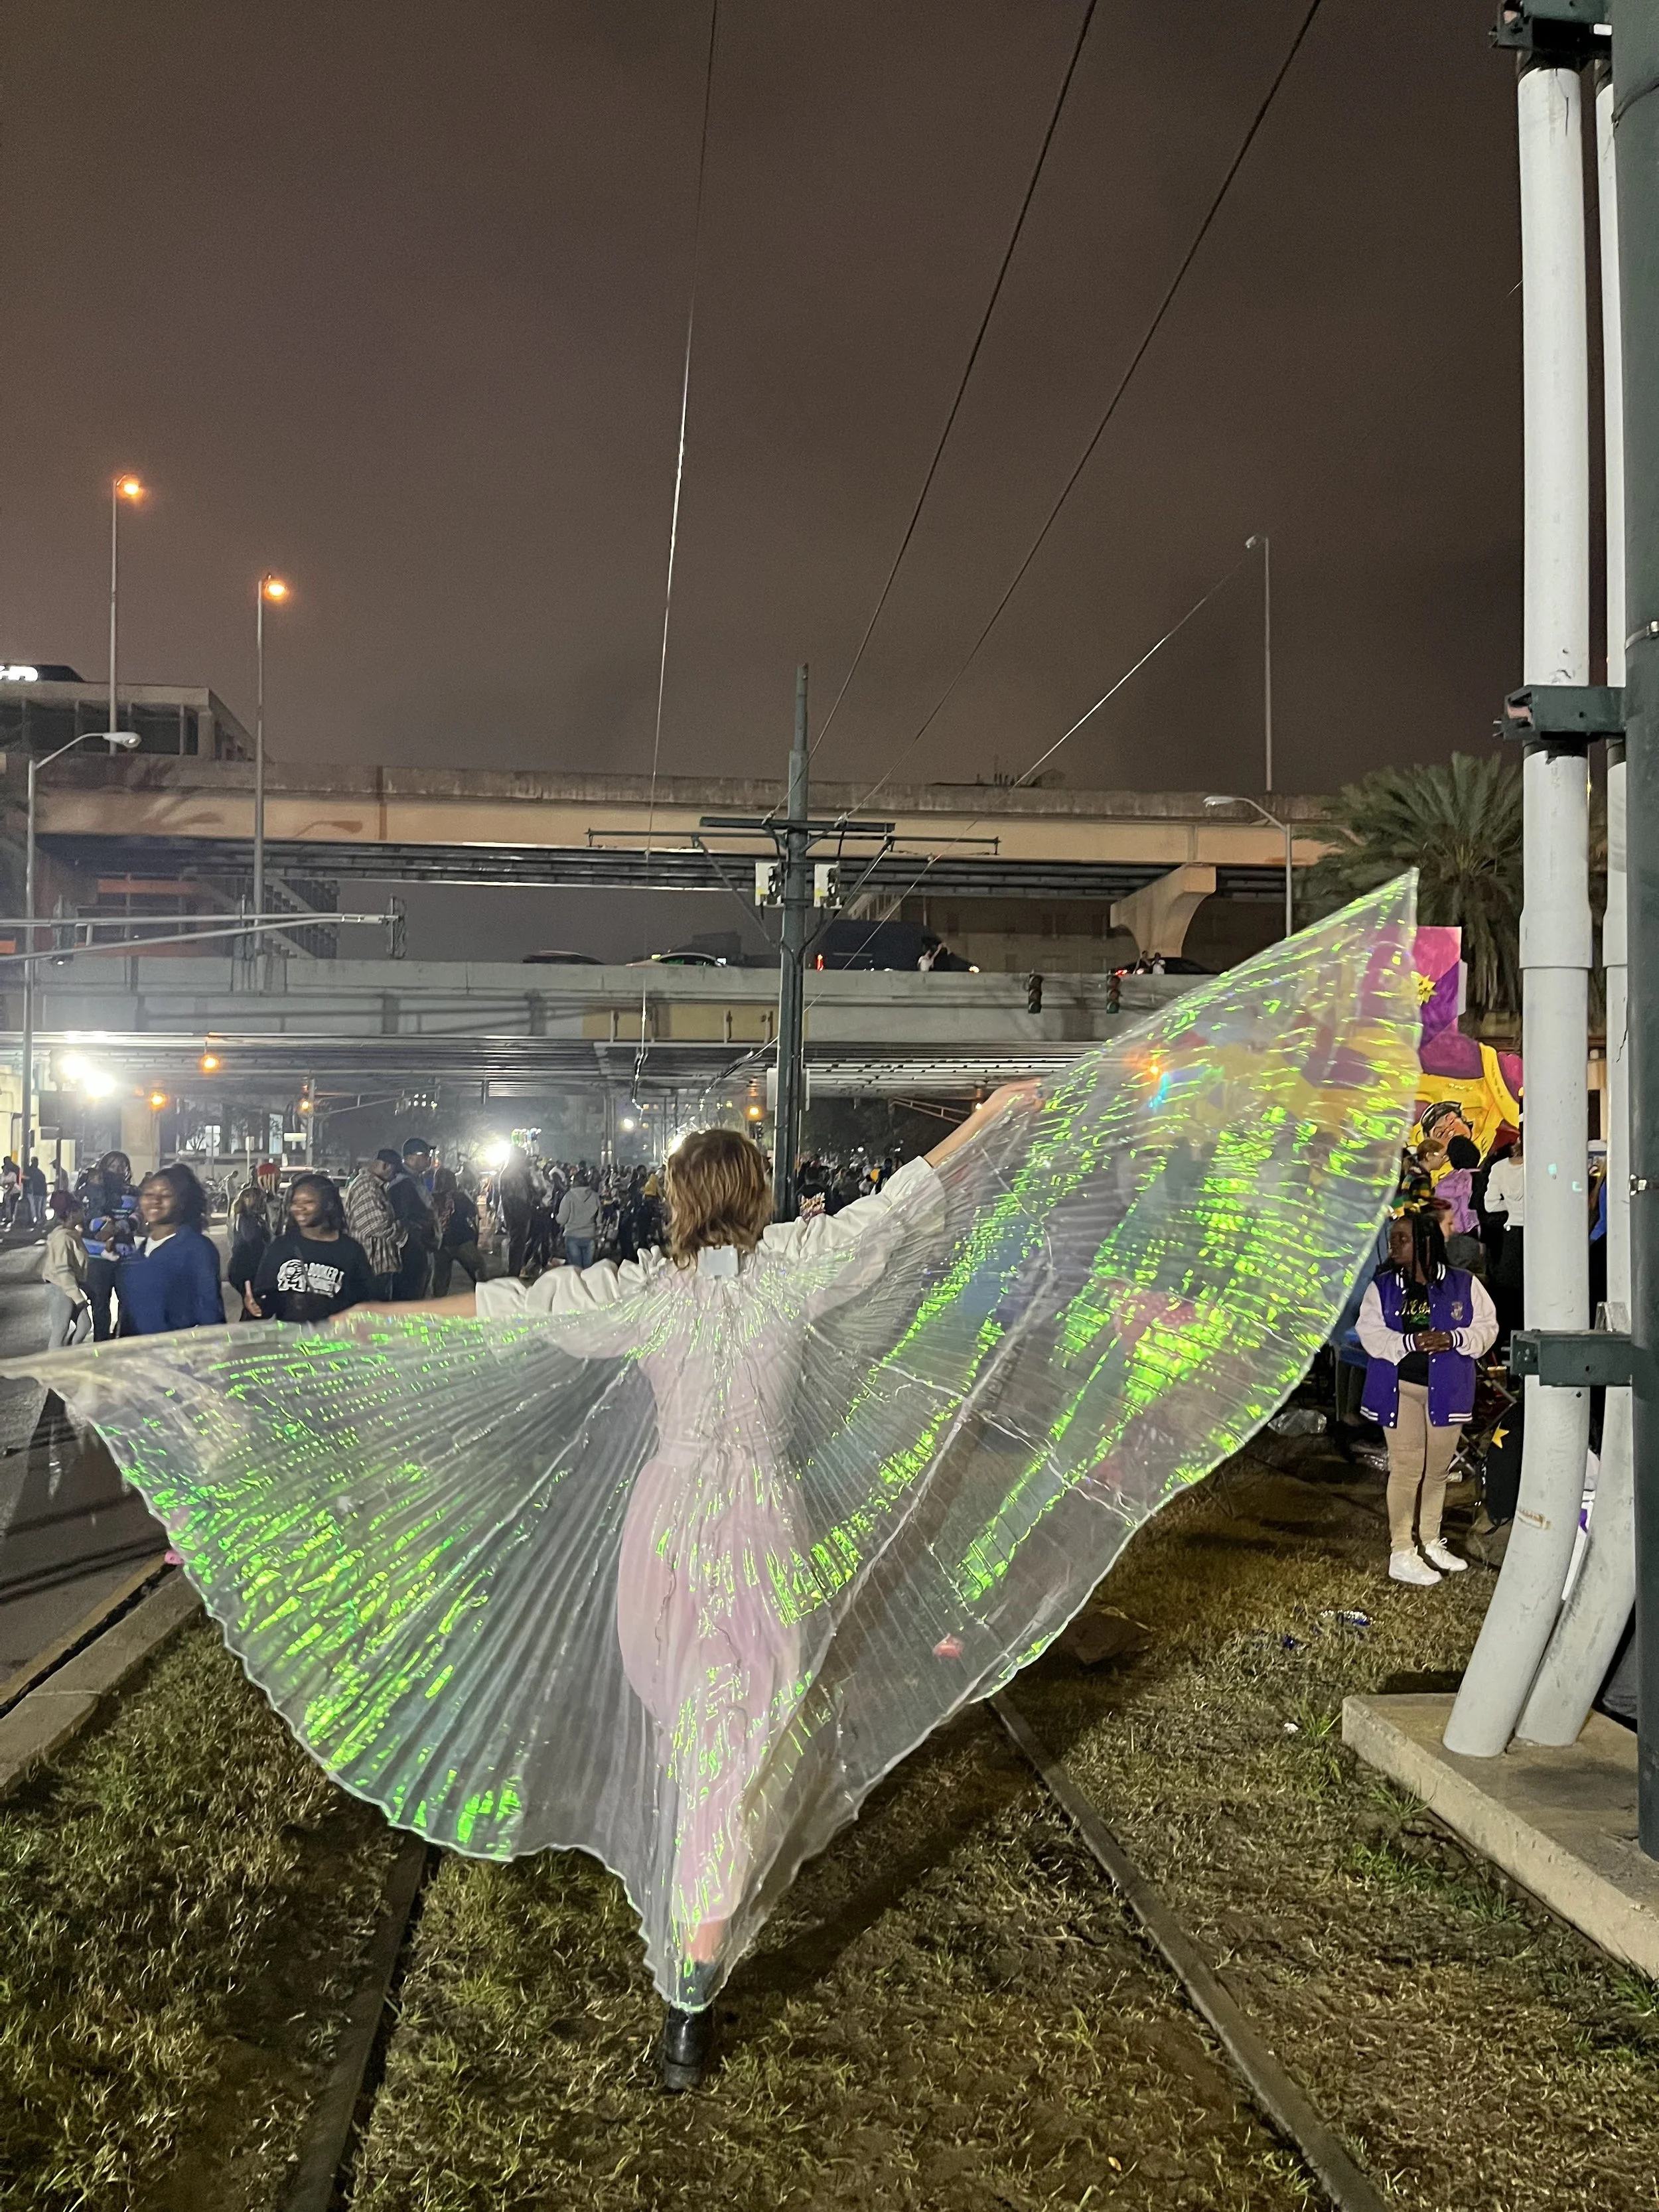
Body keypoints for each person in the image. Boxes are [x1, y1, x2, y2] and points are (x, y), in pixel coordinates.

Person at [1358, 1211, 1498, 1587]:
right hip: (1400, 1389)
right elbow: (1369, 1332)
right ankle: (1401, 1551)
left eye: (1402, 1238)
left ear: (1425, 1243)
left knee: (1437, 1472)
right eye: (1393, 1238)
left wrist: (1453, 1339)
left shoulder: (1464, 1284)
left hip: (1447, 1389)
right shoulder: (1383, 1286)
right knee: (1407, 1469)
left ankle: (1432, 1540)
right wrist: (1409, 1342)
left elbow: (1487, 1329)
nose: (1394, 1244)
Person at [248, 1174, 378, 1323]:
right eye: (295, 1202)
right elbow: (265, 1300)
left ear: (328, 1204)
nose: (299, 1208)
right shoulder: (281, 1247)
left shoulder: (350, 1251)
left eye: (308, 1202)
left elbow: (365, 1304)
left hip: (333, 1342)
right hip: (289, 1342)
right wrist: (256, 1305)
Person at [116, 1165, 225, 1336]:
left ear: (182, 1202)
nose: (155, 1201)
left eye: (165, 1195)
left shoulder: (197, 1249)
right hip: (137, 1357)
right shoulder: (139, 1254)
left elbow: (211, 1315)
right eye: (149, 1194)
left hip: (178, 1357)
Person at [346, 1151, 405, 1299]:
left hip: (378, 1266)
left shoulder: (376, 1186)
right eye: (395, 1171)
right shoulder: (367, 1186)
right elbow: (378, 1225)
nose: (396, 1176)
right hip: (372, 1267)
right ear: (385, 1166)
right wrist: (403, 1231)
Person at [388, 1140, 438, 1301]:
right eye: (425, 1155)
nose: (429, 1159)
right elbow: (402, 1219)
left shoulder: (416, 1179)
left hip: (420, 1247)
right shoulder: (402, 1183)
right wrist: (421, 1238)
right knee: (410, 1296)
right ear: (410, 1158)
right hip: (411, 1252)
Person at [42, 1193, 91, 1348]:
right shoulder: (63, 1239)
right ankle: (54, 1364)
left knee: (84, 1326)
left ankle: (70, 1355)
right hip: (60, 1288)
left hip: (68, 1288)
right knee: (61, 1329)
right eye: (80, 1210)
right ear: (71, 1213)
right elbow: (64, 1272)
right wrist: (79, 1299)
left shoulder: (71, 1234)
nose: (83, 1213)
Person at [430, 1167, 484, 1297]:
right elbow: (472, 1212)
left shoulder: (432, 1198)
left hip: (440, 1243)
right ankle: (484, 1297)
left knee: (440, 1278)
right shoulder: (459, 1196)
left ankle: (437, 1306)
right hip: (462, 1240)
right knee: (479, 1269)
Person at [228, 1187, 273, 1320]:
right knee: (254, 1310)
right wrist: (248, 1289)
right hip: (247, 1271)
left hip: (244, 1270)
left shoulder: (248, 1218)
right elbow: (248, 1253)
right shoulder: (248, 1221)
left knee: (251, 1310)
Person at [557, 1171, 602, 1269]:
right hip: (590, 1236)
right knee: (588, 1270)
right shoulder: (595, 1196)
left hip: (572, 1236)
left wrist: (556, 1217)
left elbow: (562, 1219)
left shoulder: (569, 1197)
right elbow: (599, 1219)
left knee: (576, 1271)